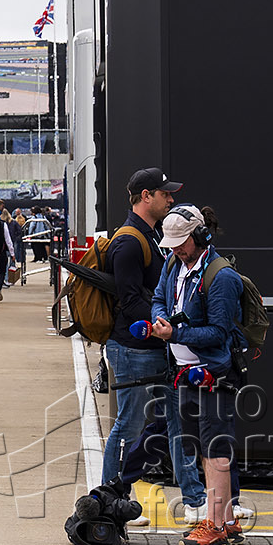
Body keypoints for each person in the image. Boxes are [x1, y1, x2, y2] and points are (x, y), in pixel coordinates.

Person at [149, 205, 245, 545]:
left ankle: (215, 525)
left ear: (201, 236)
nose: (176, 249)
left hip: (213, 374)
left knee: (215, 450)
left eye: (181, 242)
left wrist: (173, 333)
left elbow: (218, 332)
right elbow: (158, 298)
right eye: (172, 243)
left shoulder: (222, 278)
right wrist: (162, 319)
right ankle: (226, 520)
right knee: (206, 448)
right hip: (187, 373)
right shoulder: (173, 264)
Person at [101, 168, 180, 489]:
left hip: (151, 347)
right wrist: (168, 325)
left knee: (172, 422)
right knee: (128, 426)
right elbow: (131, 301)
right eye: (165, 194)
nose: (171, 200)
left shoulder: (152, 235)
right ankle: (109, 496)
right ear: (146, 196)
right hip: (133, 349)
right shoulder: (129, 241)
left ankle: (120, 492)